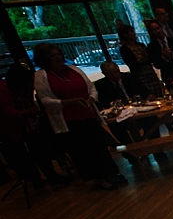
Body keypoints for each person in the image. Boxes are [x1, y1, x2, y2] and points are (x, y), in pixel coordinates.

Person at [32, 43, 125, 190]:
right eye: (52, 56)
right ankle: (98, 178)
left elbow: (92, 89)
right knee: (83, 151)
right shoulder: (42, 76)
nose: (57, 58)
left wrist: (90, 100)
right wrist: (68, 102)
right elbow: (45, 100)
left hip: (88, 114)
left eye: (58, 54)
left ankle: (110, 173)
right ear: (45, 59)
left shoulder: (74, 70)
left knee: (99, 147)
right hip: (69, 120)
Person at [0, 61, 69, 187]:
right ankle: (35, 178)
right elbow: (8, 112)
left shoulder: (22, 86)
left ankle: (50, 176)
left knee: (40, 150)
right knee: (24, 155)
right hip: (13, 128)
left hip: (30, 124)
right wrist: (28, 112)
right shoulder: (4, 90)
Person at [118, 23, 164, 97]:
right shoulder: (124, 49)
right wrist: (141, 56)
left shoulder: (141, 45)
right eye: (131, 32)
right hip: (140, 77)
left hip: (150, 73)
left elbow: (150, 59)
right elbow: (133, 65)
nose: (134, 34)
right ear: (126, 35)